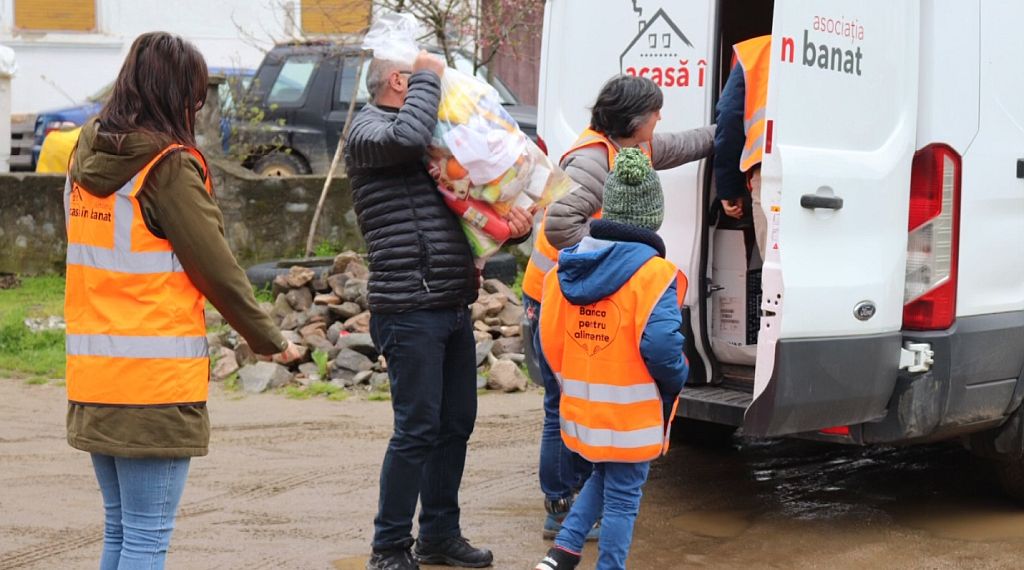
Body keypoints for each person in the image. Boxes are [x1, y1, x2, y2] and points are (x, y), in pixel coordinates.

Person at [64, 32, 301, 570]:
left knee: (122, 530)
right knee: (146, 539)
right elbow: (216, 267)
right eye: (194, 96)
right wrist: (269, 338)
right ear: (175, 95)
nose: (197, 107)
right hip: (153, 385)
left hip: (95, 376)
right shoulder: (167, 167)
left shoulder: (83, 157)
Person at [344, 51, 532, 570]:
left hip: (450, 301)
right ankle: (388, 548)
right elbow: (405, 137)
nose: (438, 89)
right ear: (399, 81)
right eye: (423, 81)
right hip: (408, 305)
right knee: (417, 429)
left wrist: (512, 227)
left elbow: (471, 211)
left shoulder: (434, 141)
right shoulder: (368, 131)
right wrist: (430, 72)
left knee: (455, 424)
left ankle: (439, 536)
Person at [520, 74, 712, 539]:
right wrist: (616, 255)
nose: (660, 118)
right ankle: (560, 506)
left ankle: (578, 500)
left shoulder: (628, 149)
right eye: (654, 112)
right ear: (632, 121)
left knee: (582, 399)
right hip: (554, 296)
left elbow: (680, 145)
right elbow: (559, 227)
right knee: (561, 401)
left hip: (581, 289)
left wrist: (729, 128)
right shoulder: (590, 162)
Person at [533, 147, 689, 570]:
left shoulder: (564, 270)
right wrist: (678, 377)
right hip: (632, 414)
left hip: (584, 408)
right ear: (653, 216)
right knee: (623, 496)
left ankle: (562, 554)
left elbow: (548, 341)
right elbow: (662, 347)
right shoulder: (654, 275)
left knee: (604, 476)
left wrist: (571, 381)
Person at [715, 34, 771, 255]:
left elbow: (730, 118)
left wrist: (729, 188)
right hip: (829, 172)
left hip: (771, 171)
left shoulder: (756, 52)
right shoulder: (836, 47)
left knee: (777, 263)